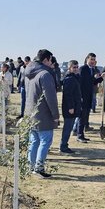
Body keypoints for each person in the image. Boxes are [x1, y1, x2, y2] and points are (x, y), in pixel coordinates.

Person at [23, 49, 59, 177]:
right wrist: (55, 116)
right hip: (43, 114)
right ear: (45, 60)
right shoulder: (45, 75)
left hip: (31, 113)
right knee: (45, 141)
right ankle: (38, 168)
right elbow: (51, 97)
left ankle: (30, 166)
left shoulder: (30, 74)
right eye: (50, 60)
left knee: (34, 140)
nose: (51, 63)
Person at [77, 52, 102, 142]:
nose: (93, 61)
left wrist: (101, 78)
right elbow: (80, 83)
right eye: (91, 59)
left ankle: (81, 134)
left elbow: (92, 82)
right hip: (83, 96)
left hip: (89, 96)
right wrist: (80, 96)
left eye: (94, 60)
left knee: (85, 115)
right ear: (87, 59)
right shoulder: (83, 69)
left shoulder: (92, 69)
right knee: (81, 116)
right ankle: (79, 135)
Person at [60, 59, 82, 154]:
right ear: (69, 68)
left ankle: (64, 144)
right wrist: (71, 107)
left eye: (77, 67)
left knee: (69, 126)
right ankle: (63, 146)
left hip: (74, 106)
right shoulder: (69, 79)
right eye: (74, 67)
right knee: (67, 127)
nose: (76, 69)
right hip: (70, 108)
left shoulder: (74, 77)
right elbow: (68, 95)